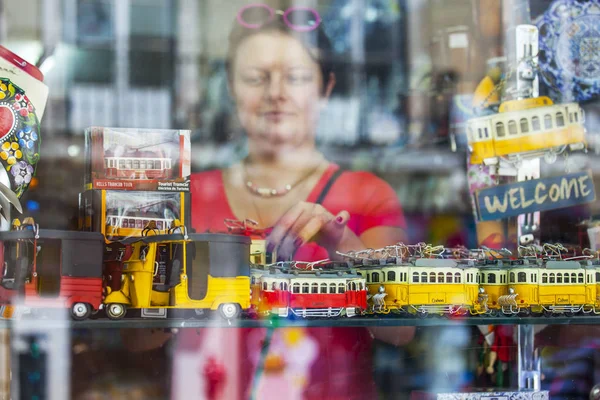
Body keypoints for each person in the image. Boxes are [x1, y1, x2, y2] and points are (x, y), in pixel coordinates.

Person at [129, 3, 415, 400]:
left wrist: (343, 246)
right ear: (230, 85)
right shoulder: (186, 194)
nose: (276, 94)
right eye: (256, 78)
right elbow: (132, 339)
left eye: (295, 77)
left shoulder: (365, 194)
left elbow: (402, 330)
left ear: (326, 87)